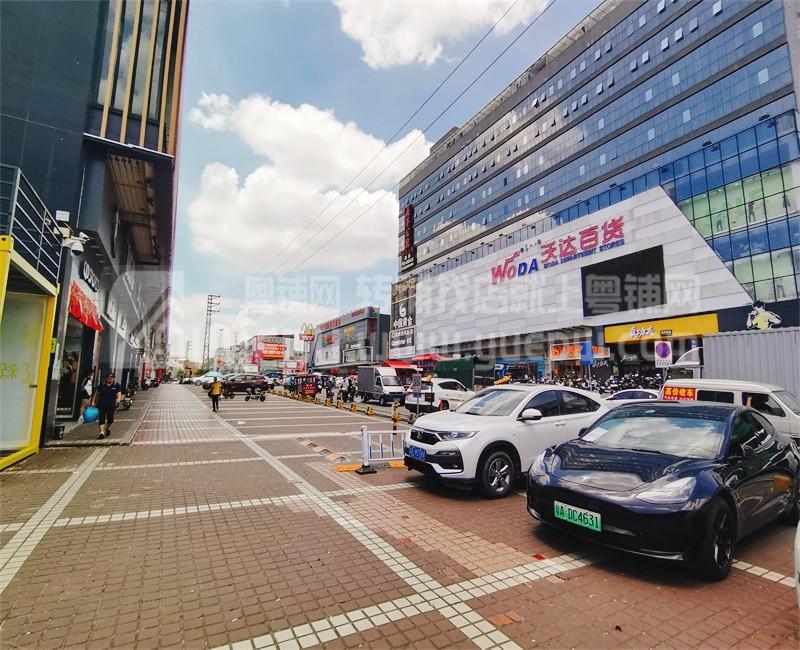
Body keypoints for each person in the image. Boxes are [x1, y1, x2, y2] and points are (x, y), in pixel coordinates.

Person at [94, 373, 121, 439]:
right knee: (101, 418)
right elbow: (97, 394)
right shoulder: (102, 384)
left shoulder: (116, 385)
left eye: (111, 377)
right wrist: (93, 402)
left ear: (113, 378)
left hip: (111, 405)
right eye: (108, 377)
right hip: (102, 404)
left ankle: (108, 428)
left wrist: (118, 400)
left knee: (110, 419)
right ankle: (102, 433)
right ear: (106, 378)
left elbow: (119, 394)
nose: (110, 379)